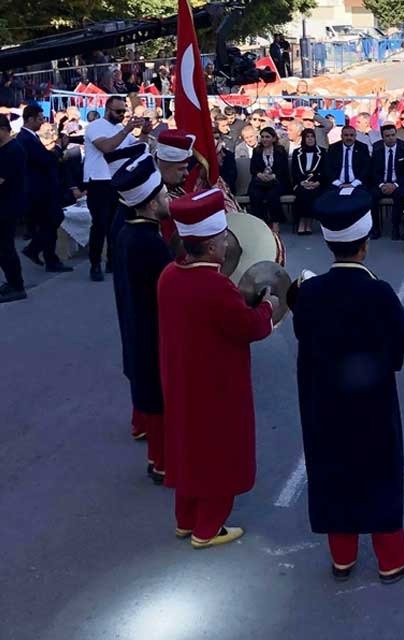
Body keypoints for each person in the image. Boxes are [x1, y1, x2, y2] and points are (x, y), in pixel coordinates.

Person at [293, 188, 404, 583]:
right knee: (378, 471)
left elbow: (302, 334)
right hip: (371, 400)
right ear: (364, 245)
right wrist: (386, 363)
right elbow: (402, 334)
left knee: (331, 470)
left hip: (324, 400)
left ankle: (342, 557)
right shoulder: (378, 291)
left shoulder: (309, 292)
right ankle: (390, 558)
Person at [158, 189, 275, 548]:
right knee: (219, 452)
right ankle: (208, 528)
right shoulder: (216, 287)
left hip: (180, 378)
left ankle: (185, 519)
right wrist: (268, 305)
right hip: (216, 382)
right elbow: (250, 326)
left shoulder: (169, 275)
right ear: (210, 247)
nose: (228, 242)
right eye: (223, 237)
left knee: (188, 446)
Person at [110, 152, 173, 483]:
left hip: (136, 324)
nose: (167, 198)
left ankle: (156, 457)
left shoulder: (127, 232)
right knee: (160, 395)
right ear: (149, 204)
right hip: (153, 329)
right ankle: (163, 463)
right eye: (162, 194)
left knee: (149, 390)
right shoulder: (150, 243)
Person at [82, 96, 148, 280]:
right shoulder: (95, 127)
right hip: (98, 181)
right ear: (107, 110)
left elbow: (134, 148)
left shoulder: (120, 128)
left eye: (124, 111)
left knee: (116, 224)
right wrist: (127, 129)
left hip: (116, 181)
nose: (122, 115)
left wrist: (144, 133)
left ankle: (113, 260)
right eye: (118, 111)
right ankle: (95, 264)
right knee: (100, 224)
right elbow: (107, 147)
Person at [17, 105, 73, 276]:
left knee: (50, 223)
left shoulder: (31, 138)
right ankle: (35, 249)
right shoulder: (25, 139)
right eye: (40, 118)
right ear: (30, 119)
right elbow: (44, 159)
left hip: (45, 189)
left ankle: (50, 258)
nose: (42, 122)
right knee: (52, 220)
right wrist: (57, 148)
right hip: (39, 191)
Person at [368, 124, 404, 241]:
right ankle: (375, 228)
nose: (391, 138)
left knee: (400, 196)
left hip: (398, 183)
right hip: (381, 183)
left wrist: (395, 185)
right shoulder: (377, 150)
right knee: (371, 196)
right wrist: (382, 185)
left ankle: (396, 227)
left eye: (393, 135)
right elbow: (373, 172)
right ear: (383, 137)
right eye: (387, 136)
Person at [0, 116, 28, 303]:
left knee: (5, 247)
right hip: (5, 204)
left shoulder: (13, 150)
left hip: (7, 206)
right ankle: (11, 282)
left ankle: (17, 285)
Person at [249, 127, 290, 233]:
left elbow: (284, 168)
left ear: (273, 138)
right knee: (255, 194)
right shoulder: (257, 151)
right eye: (262, 137)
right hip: (260, 180)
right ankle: (260, 222)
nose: (264, 139)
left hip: (277, 180)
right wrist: (260, 175)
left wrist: (273, 176)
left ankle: (275, 223)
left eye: (267, 137)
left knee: (273, 194)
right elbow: (253, 168)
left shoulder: (280, 151)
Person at [290, 128, 323, 235]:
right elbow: (294, 171)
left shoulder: (322, 152)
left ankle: (308, 223)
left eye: (312, 136)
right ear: (303, 139)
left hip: (317, 183)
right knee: (302, 192)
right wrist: (302, 182)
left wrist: (317, 183)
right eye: (307, 137)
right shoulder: (297, 153)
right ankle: (301, 222)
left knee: (311, 193)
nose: (310, 139)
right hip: (301, 183)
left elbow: (325, 171)